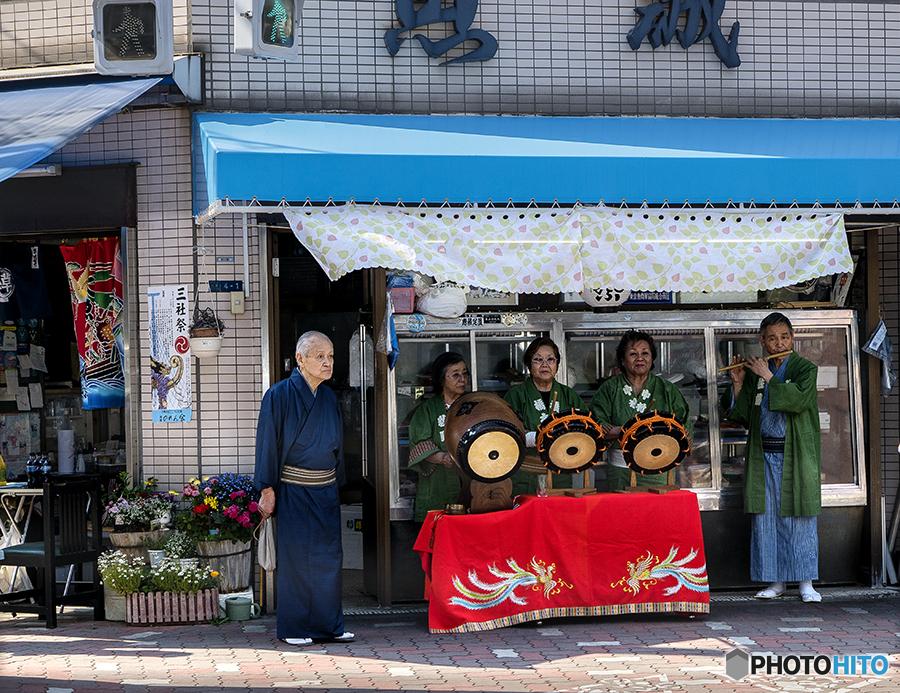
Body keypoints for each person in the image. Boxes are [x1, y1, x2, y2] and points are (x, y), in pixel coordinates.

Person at [254, 331, 354, 645]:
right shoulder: (278, 395)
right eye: (320, 356)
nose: (328, 363)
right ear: (300, 359)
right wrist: (267, 489)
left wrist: (339, 484)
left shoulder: (328, 396)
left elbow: (337, 445)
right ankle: (295, 628)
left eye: (331, 356)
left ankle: (329, 626)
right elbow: (267, 444)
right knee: (297, 557)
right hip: (293, 489)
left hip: (325, 489)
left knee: (329, 556)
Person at [724, 312, 822, 603]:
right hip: (763, 454)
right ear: (762, 341)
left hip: (795, 455)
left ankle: (806, 582)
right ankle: (776, 581)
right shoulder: (756, 372)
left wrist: (767, 376)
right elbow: (744, 415)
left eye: (784, 337)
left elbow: (798, 401)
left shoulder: (806, 369)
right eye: (772, 338)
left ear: (792, 338)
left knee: (799, 518)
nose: (778, 343)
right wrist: (739, 383)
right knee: (766, 518)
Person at [590, 330, 693, 492]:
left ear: (651, 358)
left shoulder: (667, 390)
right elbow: (596, 427)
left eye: (645, 353)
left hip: (659, 470)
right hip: (621, 470)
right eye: (632, 354)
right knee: (623, 514)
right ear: (623, 361)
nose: (640, 358)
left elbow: (683, 428)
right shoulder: (609, 389)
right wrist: (626, 430)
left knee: (656, 514)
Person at [504, 337, 584, 495]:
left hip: (560, 472)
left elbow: (585, 426)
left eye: (550, 359)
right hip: (525, 472)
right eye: (538, 360)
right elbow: (506, 433)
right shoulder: (516, 395)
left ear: (557, 365)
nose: (545, 364)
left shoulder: (569, 395)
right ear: (528, 365)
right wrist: (534, 437)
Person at [407, 352, 468, 522]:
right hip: (437, 484)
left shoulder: (473, 405)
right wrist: (441, 457)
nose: (462, 379)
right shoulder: (427, 410)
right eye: (455, 374)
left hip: (470, 484)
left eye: (465, 373)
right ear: (441, 379)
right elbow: (420, 444)